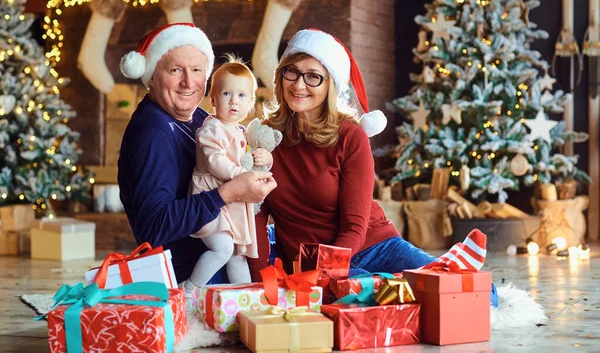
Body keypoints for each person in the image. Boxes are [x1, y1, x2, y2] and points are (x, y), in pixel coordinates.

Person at [247, 29, 490, 284]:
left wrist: (327, 270)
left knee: (481, 294)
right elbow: (256, 215)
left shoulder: (350, 137)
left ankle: (446, 268)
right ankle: (404, 277)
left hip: (375, 247)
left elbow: (355, 227)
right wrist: (257, 280)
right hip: (310, 260)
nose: (298, 84)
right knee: (356, 295)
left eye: (313, 77)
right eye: (292, 71)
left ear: (331, 85)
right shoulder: (264, 137)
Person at [117, 23, 277, 284]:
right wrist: (230, 192)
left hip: (226, 247)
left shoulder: (200, 118)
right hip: (191, 273)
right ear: (152, 76)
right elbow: (154, 227)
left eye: (196, 70)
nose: (188, 82)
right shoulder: (153, 132)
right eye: (175, 70)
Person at [183, 55, 273, 291]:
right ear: (213, 99)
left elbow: (251, 159)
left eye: (242, 95)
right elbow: (215, 161)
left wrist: (265, 158)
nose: (234, 101)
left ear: (251, 102)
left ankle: (245, 297)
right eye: (226, 94)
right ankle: (189, 289)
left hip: (232, 203)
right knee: (222, 248)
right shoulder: (211, 129)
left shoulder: (242, 131)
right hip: (211, 199)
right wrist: (241, 175)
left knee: (237, 254)